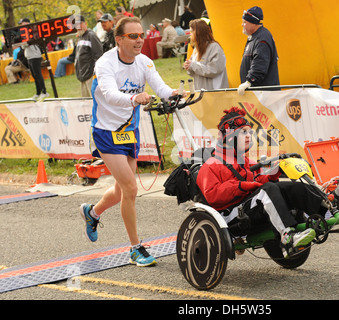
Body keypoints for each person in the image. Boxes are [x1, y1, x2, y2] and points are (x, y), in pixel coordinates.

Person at [80, 16, 181, 267]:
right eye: (133, 36)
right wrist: (135, 99)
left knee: (121, 189)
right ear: (119, 39)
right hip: (105, 131)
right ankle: (135, 248)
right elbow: (110, 94)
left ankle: (92, 213)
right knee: (131, 188)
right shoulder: (105, 63)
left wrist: (174, 94)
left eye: (141, 35)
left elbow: (161, 87)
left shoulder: (144, 62)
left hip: (129, 131)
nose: (139, 40)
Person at [196, 107, 324, 257]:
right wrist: (242, 186)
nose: (249, 136)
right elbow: (213, 195)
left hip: (252, 206)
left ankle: (325, 210)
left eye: (250, 132)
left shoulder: (247, 161)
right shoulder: (211, 164)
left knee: (286, 187)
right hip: (231, 216)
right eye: (243, 132)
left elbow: (257, 181)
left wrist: (272, 174)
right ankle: (288, 237)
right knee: (268, 190)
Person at [238, 6, 280, 95]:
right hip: (257, 94)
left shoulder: (262, 39)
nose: (242, 25)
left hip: (264, 96)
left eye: (244, 22)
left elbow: (260, 63)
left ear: (254, 23)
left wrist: (249, 81)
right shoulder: (254, 37)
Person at [183, 19, 228, 90]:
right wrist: (188, 67)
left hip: (215, 93)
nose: (190, 34)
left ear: (199, 33)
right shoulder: (196, 49)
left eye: (192, 31)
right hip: (201, 93)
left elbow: (213, 70)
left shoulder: (214, 47)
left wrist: (193, 65)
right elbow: (193, 72)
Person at [19, 18, 49, 101]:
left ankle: (44, 92)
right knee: (35, 76)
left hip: (35, 56)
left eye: (23, 23)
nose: (21, 25)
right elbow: (22, 45)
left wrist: (24, 43)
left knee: (38, 75)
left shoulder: (33, 32)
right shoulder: (23, 34)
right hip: (29, 56)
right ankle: (38, 92)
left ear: (27, 23)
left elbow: (27, 44)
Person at [74, 15, 103, 97]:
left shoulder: (91, 35)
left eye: (80, 24)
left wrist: (92, 71)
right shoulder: (80, 37)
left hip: (90, 76)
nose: (78, 27)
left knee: (93, 100)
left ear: (85, 23)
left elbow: (99, 56)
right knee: (85, 103)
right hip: (83, 77)